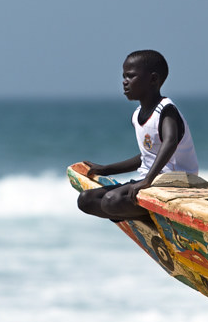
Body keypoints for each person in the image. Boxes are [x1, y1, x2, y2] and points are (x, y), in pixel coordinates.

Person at [77, 50, 200, 221]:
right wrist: (107, 169)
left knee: (111, 201)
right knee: (86, 200)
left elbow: (170, 142)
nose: (124, 82)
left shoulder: (166, 109)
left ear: (153, 79)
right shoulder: (137, 115)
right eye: (124, 77)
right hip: (151, 181)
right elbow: (146, 156)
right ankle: (141, 213)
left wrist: (148, 179)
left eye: (131, 76)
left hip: (177, 182)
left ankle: (146, 216)